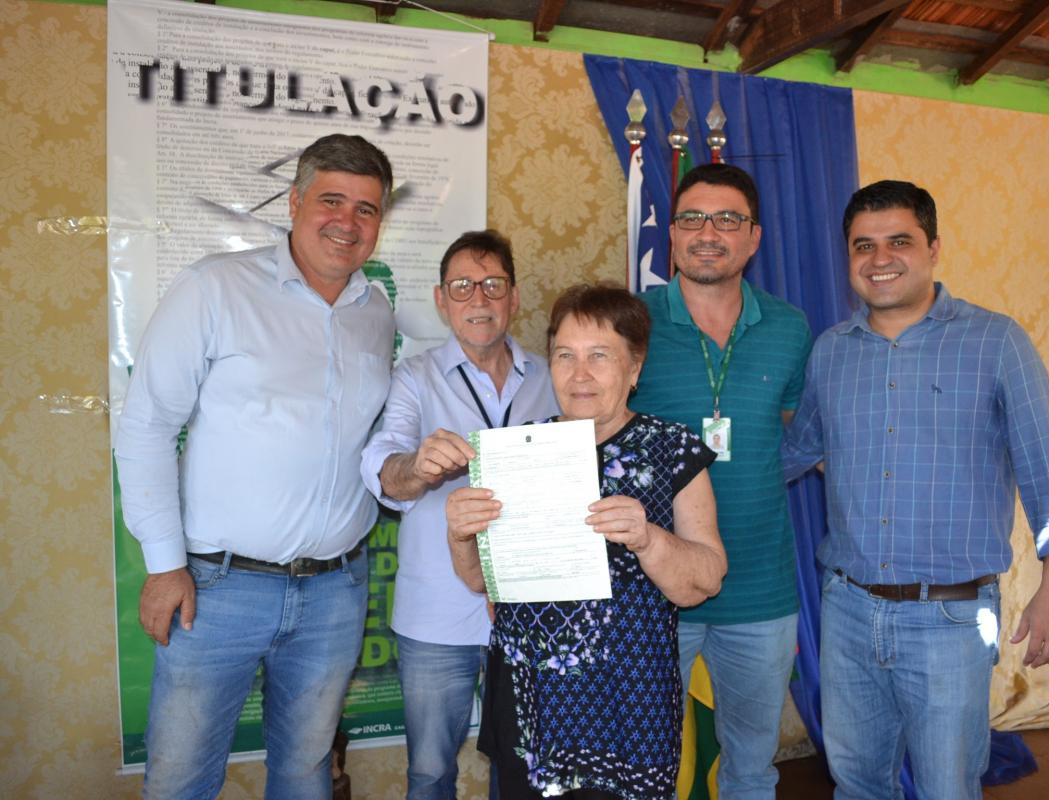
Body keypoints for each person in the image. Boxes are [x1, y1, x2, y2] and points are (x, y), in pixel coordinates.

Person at [783, 180, 1049, 799]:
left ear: (933, 248)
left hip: (951, 618)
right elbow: (797, 451)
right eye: (863, 245)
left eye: (899, 241)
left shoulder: (996, 342)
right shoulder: (831, 352)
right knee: (857, 784)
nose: (880, 259)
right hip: (847, 612)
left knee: (947, 788)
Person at [115, 133, 396, 800]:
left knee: (304, 773)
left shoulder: (375, 312)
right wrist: (165, 565)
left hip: (335, 590)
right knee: (181, 781)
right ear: (294, 202)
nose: (347, 222)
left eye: (366, 208)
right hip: (215, 590)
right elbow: (147, 425)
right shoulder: (215, 287)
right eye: (331, 200)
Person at [445, 284, 727, 799]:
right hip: (533, 702)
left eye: (600, 356)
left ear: (634, 367)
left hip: (627, 704)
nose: (580, 374)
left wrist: (648, 539)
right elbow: (480, 581)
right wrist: (461, 534)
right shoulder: (517, 451)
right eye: (565, 356)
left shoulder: (672, 449)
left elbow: (706, 580)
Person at [630, 162, 813, 798]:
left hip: (761, 592)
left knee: (751, 771)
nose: (708, 233)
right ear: (672, 234)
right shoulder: (630, 324)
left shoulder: (790, 328)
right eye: (692, 218)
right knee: (642, 769)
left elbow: (799, 435)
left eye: (728, 219)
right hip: (653, 588)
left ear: (754, 237)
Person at [360, 229, 558, 799]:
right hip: (437, 615)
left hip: (531, 612)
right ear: (441, 299)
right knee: (429, 771)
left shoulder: (552, 377)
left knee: (523, 768)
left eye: (493, 284)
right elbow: (382, 464)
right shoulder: (414, 377)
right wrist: (418, 466)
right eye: (462, 286)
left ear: (513, 297)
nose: (479, 298)